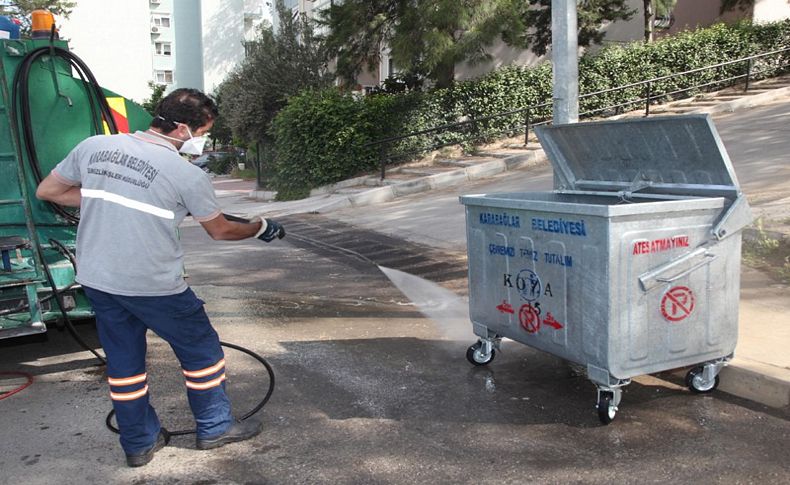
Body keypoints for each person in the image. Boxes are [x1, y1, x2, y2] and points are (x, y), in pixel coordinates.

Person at [36, 88, 284, 467]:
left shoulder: (94, 147)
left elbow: (49, 190)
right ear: (183, 129)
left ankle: (138, 443)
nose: (199, 141)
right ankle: (215, 426)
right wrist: (259, 227)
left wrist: (107, 195)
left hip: (99, 280)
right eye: (201, 133)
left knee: (124, 365)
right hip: (154, 285)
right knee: (201, 352)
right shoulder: (185, 174)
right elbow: (220, 230)